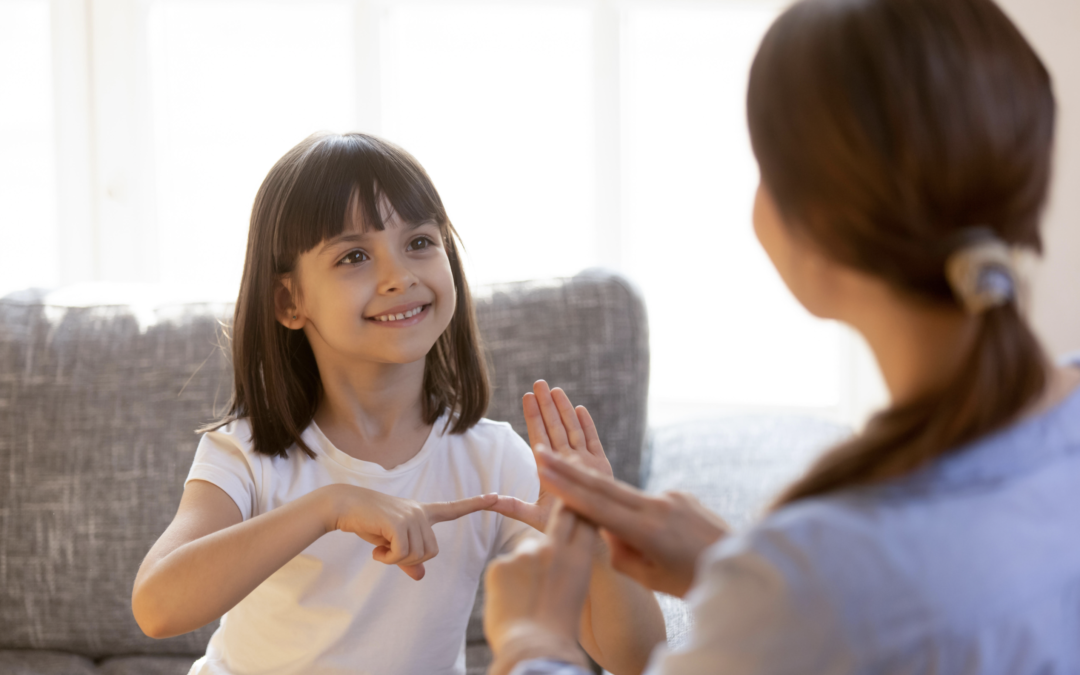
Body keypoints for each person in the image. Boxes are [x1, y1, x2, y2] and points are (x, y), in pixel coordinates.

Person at [482, 0, 1080, 673]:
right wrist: (731, 567)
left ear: (817, 232)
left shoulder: (820, 581)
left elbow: (858, 607)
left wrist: (531, 641)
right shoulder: (819, 583)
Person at [130, 132, 664, 675]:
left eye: (419, 243)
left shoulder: (491, 458)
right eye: (355, 255)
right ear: (289, 301)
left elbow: (635, 660)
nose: (399, 277)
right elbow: (157, 606)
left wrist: (595, 537)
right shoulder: (245, 452)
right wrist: (330, 507)